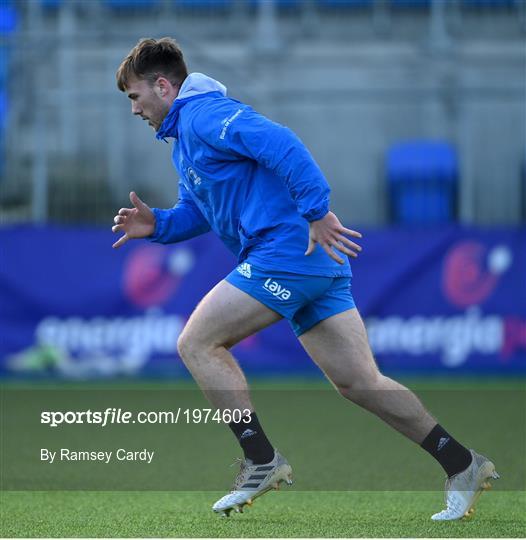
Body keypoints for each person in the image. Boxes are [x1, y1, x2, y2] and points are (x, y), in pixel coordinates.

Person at [112, 37, 499, 520]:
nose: (134, 109)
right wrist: (159, 226)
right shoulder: (184, 141)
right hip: (310, 261)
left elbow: (283, 145)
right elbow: (199, 210)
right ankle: (462, 463)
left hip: (289, 253)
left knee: (197, 343)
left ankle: (259, 459)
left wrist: (316, 211)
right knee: (360, 383)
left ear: (163, 86)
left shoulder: (205, 116)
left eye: (134, 96)